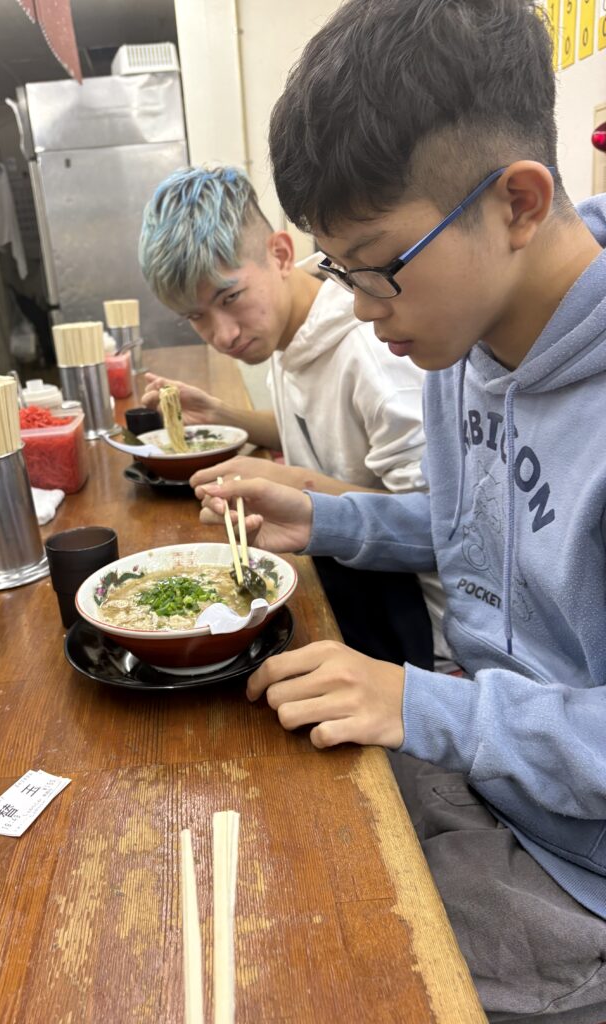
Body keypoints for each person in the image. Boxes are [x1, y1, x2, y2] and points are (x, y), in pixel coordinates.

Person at [196, 1, 606, 1020]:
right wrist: (333, 522)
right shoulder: (457, 337)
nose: (361, 305)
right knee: (248, 850)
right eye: (340, 270)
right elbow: (496, 531)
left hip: (577, 868)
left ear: (517, 202)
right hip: (486, 770)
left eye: (377, 264)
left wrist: (422, 703)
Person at [138, 165, 447, 670]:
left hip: (421, 640)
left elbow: (443, 528)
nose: (222, 334)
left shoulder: (373, 350)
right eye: (196, 317)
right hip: (345, 582)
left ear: (280, 254)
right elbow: (321, 431)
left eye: (229, 298)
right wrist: (220, 414)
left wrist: (295, 483)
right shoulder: (287, 328)